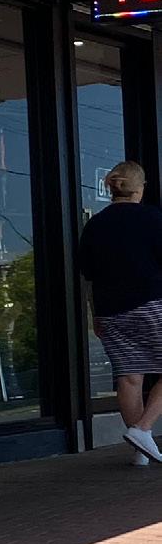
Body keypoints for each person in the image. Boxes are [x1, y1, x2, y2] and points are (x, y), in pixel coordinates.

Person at [78, 160, 162, 465]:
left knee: (129, 377)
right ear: (140, 188)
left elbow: (88, 276)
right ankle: (143, 429)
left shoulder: (94, 225)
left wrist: (95, 315)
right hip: (151, 303)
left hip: (110, 311)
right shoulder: (153, 218)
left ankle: (141, 451)